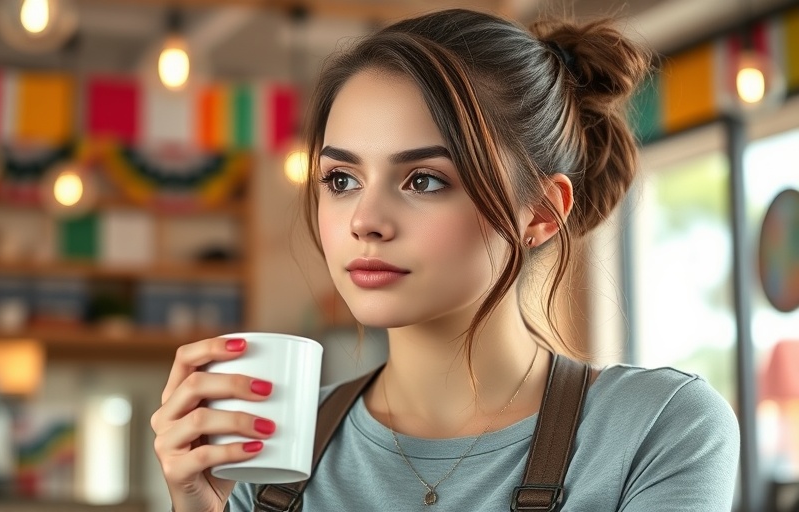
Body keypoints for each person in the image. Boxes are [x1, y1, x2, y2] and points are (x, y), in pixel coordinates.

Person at [151, 8, 740, 511]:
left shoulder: (658, 430)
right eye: (341, 179)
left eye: (424, 180)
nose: (365, 220)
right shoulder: (275, 455)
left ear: (539, 211)